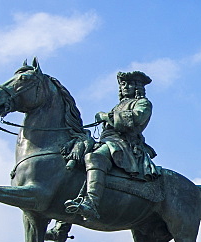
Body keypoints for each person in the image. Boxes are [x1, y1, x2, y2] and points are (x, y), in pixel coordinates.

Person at [65, 71, 158, 221]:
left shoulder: (143, 103)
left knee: (94, 158)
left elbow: (135, 119)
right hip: (107, 141)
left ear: (138, 87)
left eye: (129, 83)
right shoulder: (119, 105)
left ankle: (92, 203)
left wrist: (105, 116)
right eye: (122, 84)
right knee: (75, 166)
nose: (125, 87)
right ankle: (62, 225)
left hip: (123, 143)